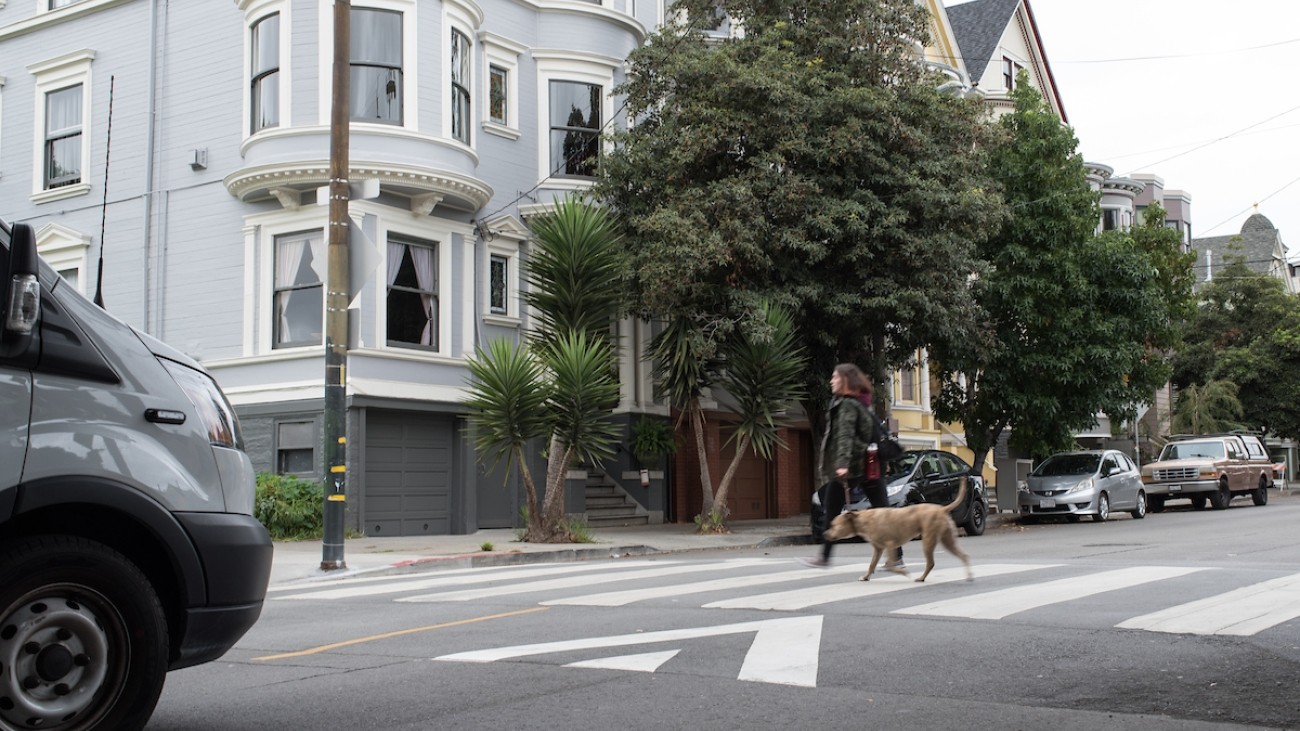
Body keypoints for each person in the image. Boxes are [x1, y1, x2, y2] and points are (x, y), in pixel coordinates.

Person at [800, 363, 905, 570]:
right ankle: (897, 558)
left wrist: (841, 464)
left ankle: (824, 557)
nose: (831, 381)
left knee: (831, 512)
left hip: (854, 468)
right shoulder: (863, 402)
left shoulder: (847, 405)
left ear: (846, 381)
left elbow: (845, 436)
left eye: (835, 377)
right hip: (871, 467)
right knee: (883, 513)